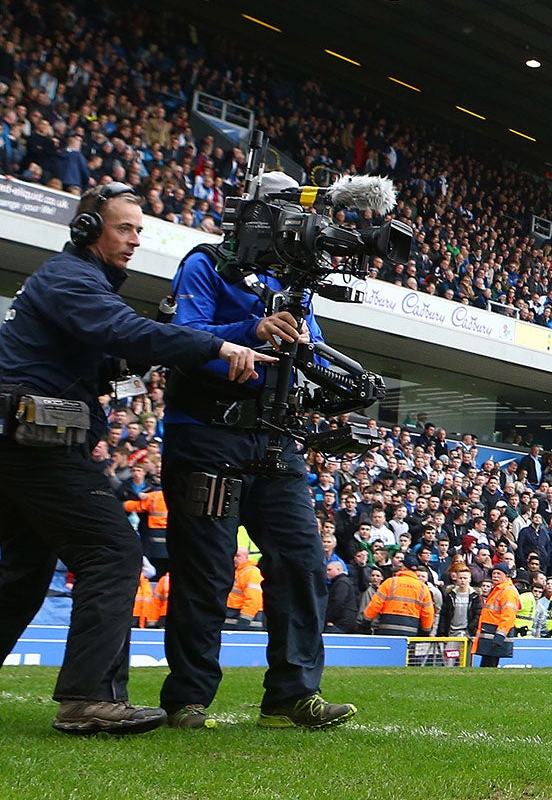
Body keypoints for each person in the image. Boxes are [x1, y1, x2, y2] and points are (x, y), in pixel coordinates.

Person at [0, 182, 267, 735]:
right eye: (125, 228)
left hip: (30, 438)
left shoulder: (83, 284)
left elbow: (110, 356)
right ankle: (89, 699)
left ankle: (89, 695)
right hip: (32, 442)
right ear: (86, 229)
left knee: (24, 571)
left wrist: (146, 352)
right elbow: (122, 330)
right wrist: (214, 346)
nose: (136, 240)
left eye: (140, 230)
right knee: (113, 551)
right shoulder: (71, 279)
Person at [159, 171, 356, 731]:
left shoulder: (297, 285)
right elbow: (184, 339)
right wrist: (252, 327)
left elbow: (309, 348)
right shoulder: (206, 263)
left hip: (276, 436)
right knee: (208, 566)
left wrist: (339, 382)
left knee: (301, 561)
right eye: (287, 211)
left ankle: (292, 695)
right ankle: (188, 698)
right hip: (207, 432)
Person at [363, 564, 437, 638]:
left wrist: (366, 622)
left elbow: (376, 604)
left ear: (403, 567)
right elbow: (428, 612)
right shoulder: (423, 588)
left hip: (387, 628)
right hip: (410, 630)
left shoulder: (390, 582)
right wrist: (426, 631)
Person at [476, 565, 519, 667]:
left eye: (498, 574)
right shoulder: (498, 590)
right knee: (487, 665)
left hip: (495, 634)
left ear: (507, 576)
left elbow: (508, 616)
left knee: (489, 666)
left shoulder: (507, 592)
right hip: (490, 633)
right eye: (494, 573)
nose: (495, 576)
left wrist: (500, 636)